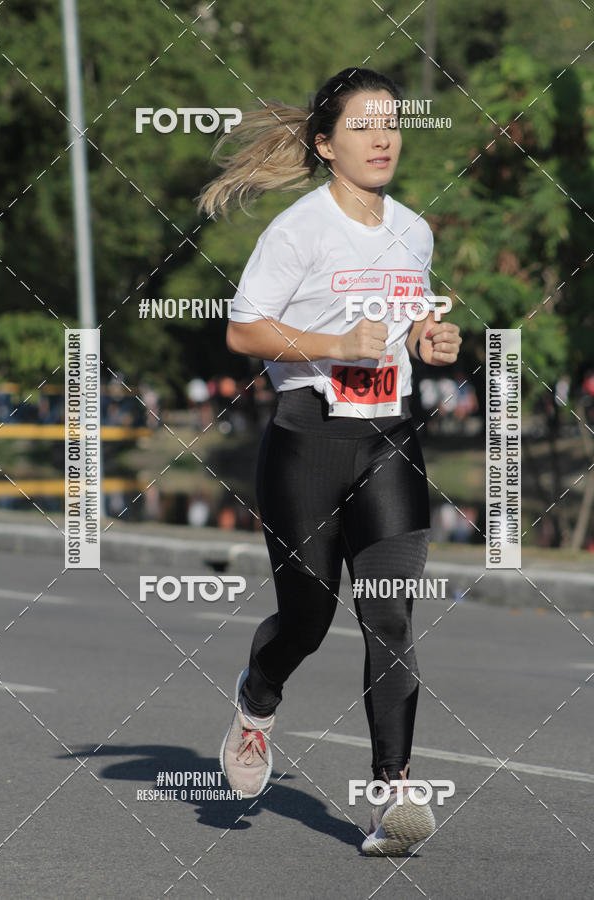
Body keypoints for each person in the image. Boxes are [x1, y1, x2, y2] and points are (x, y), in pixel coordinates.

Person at [197, 67, 462, 857]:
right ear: (325, 144)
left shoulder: (414, 231)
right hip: (306, 442)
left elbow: (409, 322)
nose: (383, 138)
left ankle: (391, 795)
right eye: (362, 126)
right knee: (307, 619)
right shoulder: (299, 231)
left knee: (389, 614)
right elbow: (243, 331)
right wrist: (334, 344)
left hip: (390, 438)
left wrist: (428, 339)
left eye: (391, 122)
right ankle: (258, 696)